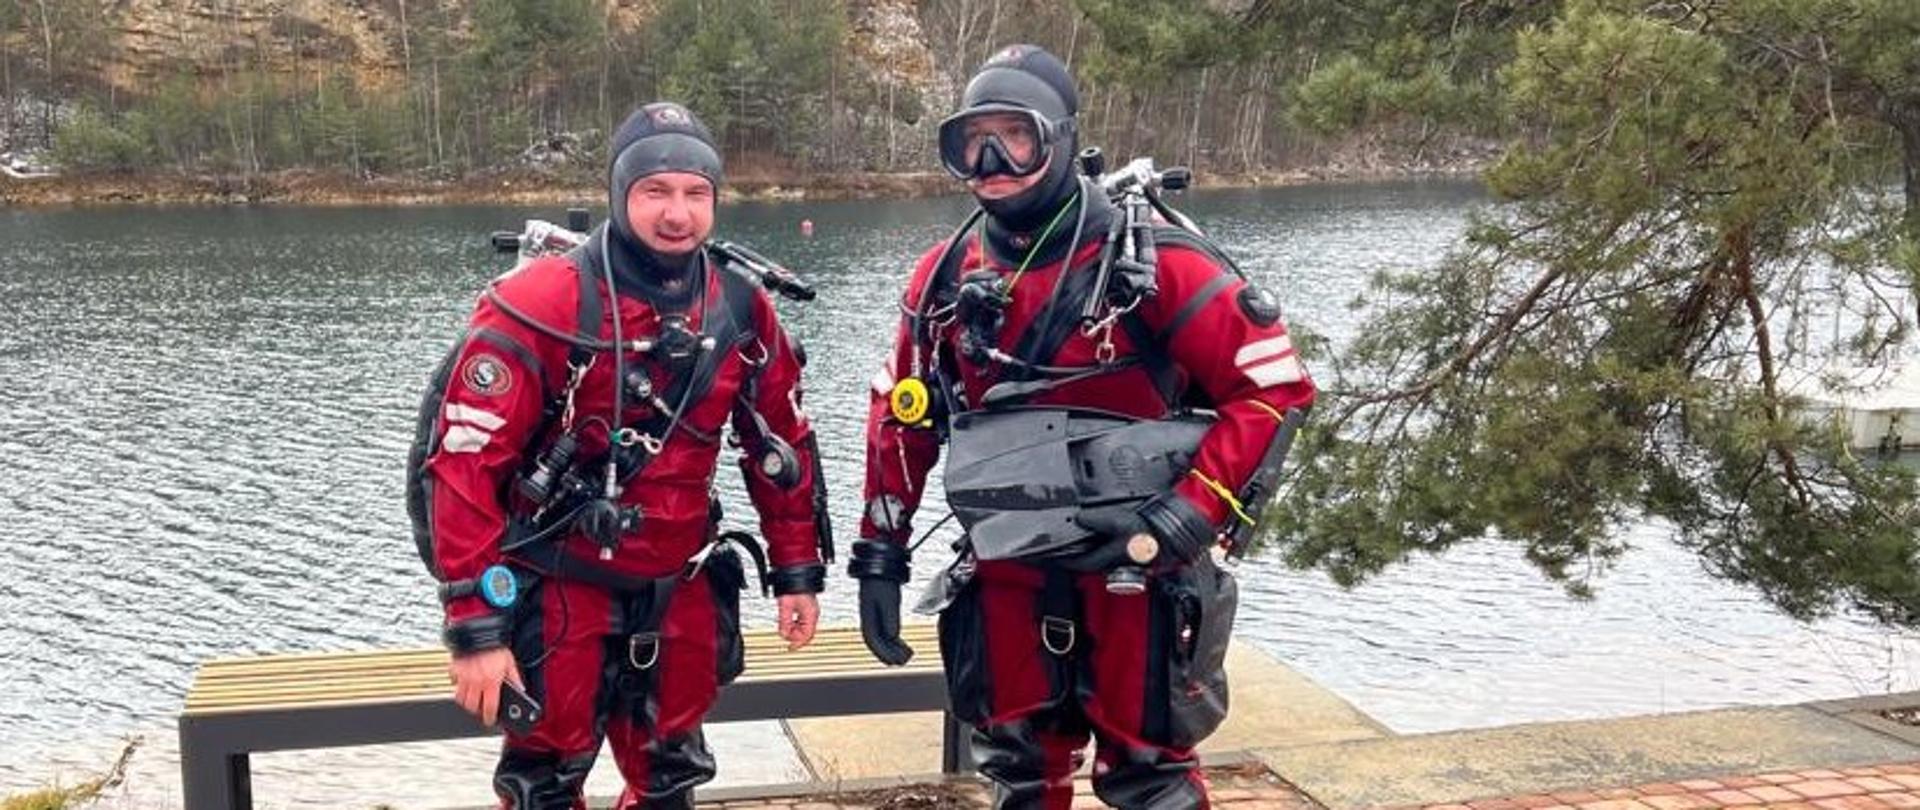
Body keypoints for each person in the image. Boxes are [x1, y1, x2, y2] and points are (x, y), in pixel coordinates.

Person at [849, 45, 1316, 809]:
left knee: (1149, 774)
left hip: (1137, 565)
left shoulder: (1156, 266)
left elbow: (1273, 392)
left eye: (1016, 136)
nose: (991, 158)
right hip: (1006, 567)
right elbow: (902, 413)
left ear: (1061, 138)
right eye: (972, 141)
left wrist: (1186, 516)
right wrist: (880, 554)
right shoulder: (940, 278)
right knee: (1019, 769)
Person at [410, 101, 829, 810]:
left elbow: (779, 444)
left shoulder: (737, 306)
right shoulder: (542, 301)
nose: (678, 214)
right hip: (558, 588)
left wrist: (796, 572)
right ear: (619, 194)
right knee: (545, 780)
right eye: (656, 192)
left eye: (697, 195)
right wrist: (476, 628)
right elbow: (461, 471)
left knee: (672, 776)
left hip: (680, 586)